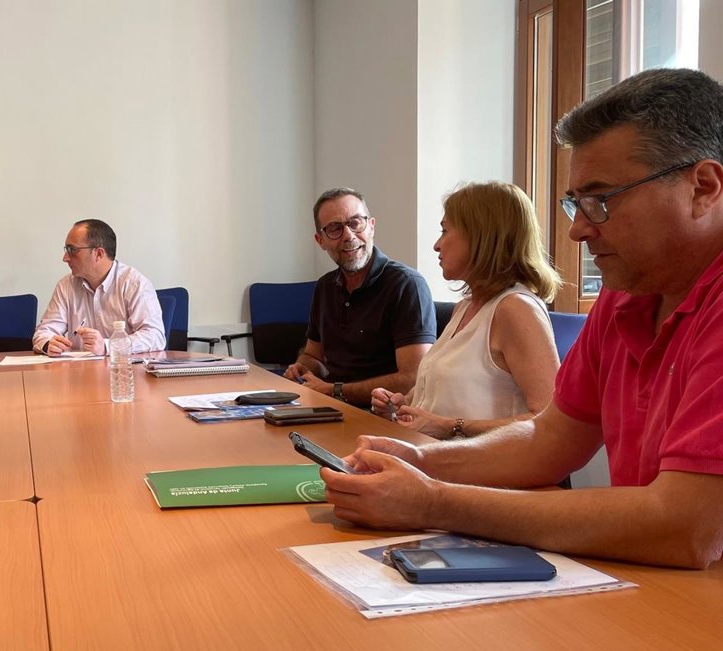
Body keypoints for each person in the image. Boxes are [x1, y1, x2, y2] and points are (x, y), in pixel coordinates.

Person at [326, 68, 723, 569]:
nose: (578, 230)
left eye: (600, 201)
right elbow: (549, 438)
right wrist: (421, 459)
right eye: (575, 204)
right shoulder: (626, 295)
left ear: (703, 188)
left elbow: (686, 526)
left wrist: (433, 501)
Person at [369, 182, 561, 439]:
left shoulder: (516, 309)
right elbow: (445, 397)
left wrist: (451, 425)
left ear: (481, 236)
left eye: (444, 231)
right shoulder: (465, 307)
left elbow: (549, 420)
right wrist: (402, 403)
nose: (437, 245)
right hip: (435, 454)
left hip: (484, 462)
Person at [283, 188, 436, 406]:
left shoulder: (406, 284)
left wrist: (335, 390)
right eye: (335, 228)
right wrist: (303, 367)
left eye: (356, 223)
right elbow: (314, 356)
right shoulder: (325, 287)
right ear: (320, 240)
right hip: (332, 406)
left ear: (371, 226)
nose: (348, 235)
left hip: (382, 414)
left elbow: (413, 379)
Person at [32, 219, 165, 356]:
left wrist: (108, 346)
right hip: (79, 368)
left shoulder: (134, 283)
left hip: (123, 367)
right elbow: (44, 331)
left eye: (72, 250)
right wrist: (49, 343)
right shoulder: (66, 285)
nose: (65, 258)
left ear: (99, 254)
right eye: (66, 250)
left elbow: (155, 336)